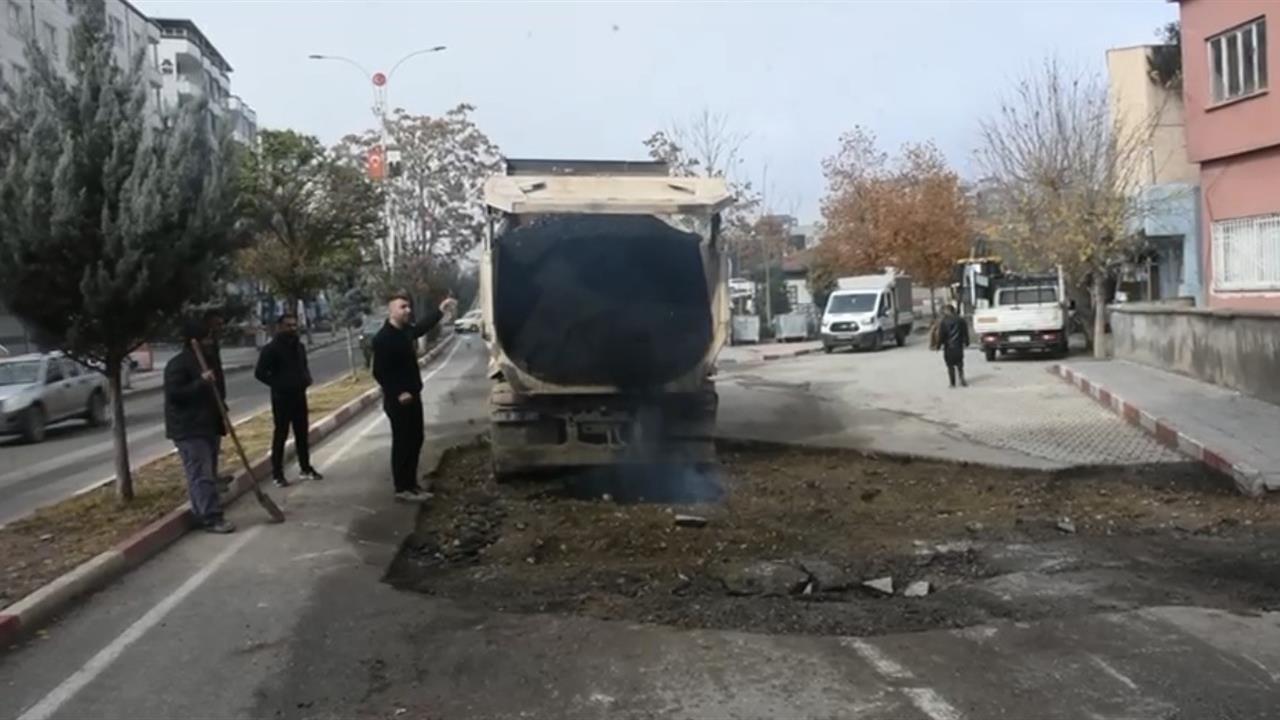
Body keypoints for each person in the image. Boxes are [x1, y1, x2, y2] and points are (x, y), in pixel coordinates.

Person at [372, 292, 456, 503]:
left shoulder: (405, 331)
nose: (407, 310)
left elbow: (421, 328)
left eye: (408, 306)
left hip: (414, 396)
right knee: (403, 443)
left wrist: (440, 310)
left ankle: (412, 484)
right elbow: (379, 372)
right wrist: (398, 392)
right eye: (402, 307)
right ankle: (402, 488)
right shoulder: (383, 338)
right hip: (398, 401)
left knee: (416, 439)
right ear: (391, 311)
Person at [165, 318, 234, 534]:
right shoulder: (178, 364)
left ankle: (201, 511)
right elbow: (175, 395)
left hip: (209, 425)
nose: (211, 342)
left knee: (207, 474)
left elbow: (216, 392)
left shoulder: (209, 360)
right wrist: (200, 382)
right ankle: (211, 518)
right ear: (194, 340)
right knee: (201, 474)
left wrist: (222, 412)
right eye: (206, 339)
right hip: (189, 428)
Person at [255, 313, 320, 487]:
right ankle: (277, 474)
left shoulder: (299, 346)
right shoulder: (271, 349)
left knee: (302, 434)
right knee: (281, 435)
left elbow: (303, 365)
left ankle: (305, 468)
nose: (292, 329)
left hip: (299, 395)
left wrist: (306, 378)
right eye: (288, 325)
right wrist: (279, 384)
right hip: (281, 398)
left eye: (294, 325)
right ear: (280, 327)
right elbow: (260, 373)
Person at [933, 304, 970, 388]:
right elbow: (965, 332)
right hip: (959, 346)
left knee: (950, 366)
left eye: (945, 311)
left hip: (948, 346)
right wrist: (967, 342)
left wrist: (938, 345)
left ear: (948, 311)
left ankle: (952, 383)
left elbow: (941, 335)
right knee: (960, 364)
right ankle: (962, 379)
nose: (944, 312)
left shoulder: (944, 321)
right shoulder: (961, 320)